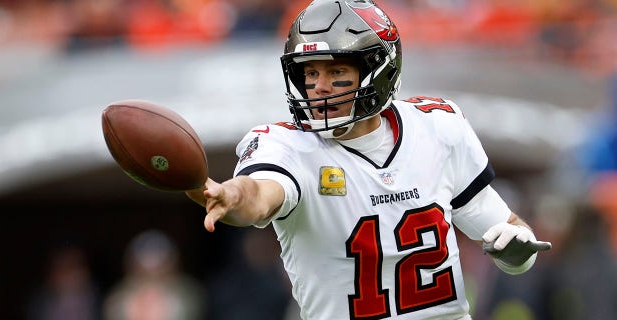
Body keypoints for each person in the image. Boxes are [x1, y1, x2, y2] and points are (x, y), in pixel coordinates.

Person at [186, 0, 551, 319]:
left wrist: (517, 249)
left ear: (379, 71)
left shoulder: (437, 128)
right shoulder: (287, 145)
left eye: (336, 71)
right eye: (311, 72)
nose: (320, 87)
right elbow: (259, 196)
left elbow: (510, 240)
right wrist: (233, 196)